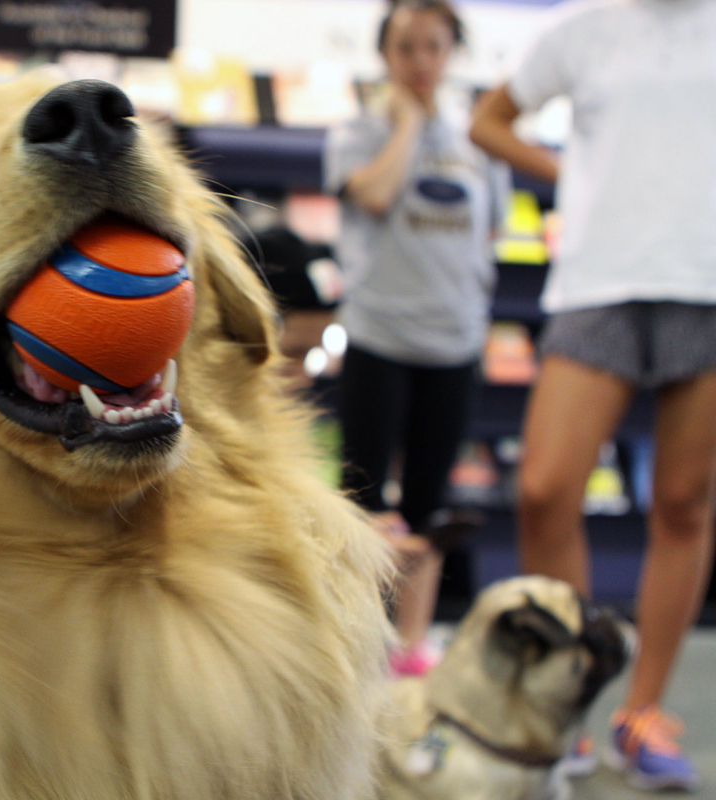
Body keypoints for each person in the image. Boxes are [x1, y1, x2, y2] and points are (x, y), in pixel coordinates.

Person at [470, 0, 716, 791]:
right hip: (597, 284)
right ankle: (570, 701)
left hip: (706, 284)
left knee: (683, 503)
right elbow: (490, 120)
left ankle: (640, 715)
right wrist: (569, 172)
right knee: (545, 491)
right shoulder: (579, 29)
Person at [324, 0, 506, 677]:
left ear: (450, 52)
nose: (421, 62)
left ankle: (410, 646)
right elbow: (372, 196)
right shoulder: (357, 132)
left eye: (433, 47)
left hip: (454, 345)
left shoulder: (477, 145)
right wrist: (405, 125)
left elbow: (486, 234)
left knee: (427, 507)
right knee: (363, 503)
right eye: (406, 48)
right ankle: (355, 640)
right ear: (385, 55)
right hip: (379, 338)